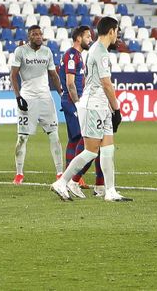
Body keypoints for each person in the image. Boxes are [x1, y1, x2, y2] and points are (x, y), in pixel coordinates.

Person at [52, 16, 130, 202]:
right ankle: (62, 182)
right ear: (111, 31)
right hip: (94, 105)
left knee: (108, 149)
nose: (117, 36)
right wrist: (117, 109)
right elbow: (106, 84)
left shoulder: (96, 49)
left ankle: (110, 191)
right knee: (91, 151)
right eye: (116, 31)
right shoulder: (100, 52)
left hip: (101, 106)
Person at [9, 24, 64, 185]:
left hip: (45, 98)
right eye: (34, 34)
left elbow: (53, 75)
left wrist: (61, 93)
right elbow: (13, 75)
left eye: (40, 34)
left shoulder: (47, 52)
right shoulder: (20, 51)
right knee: (22, 138)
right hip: (28, 98)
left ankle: (60, 173)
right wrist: (18, 97)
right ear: (29, 37)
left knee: (54, 135)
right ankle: (19, 173)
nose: (38, 36)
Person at [58, 24, 102, 199]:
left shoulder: (78, 56)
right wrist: (78, 103)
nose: (90, 39)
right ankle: (72, 177)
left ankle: (69, 175)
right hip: (72, 102)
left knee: (74, 138)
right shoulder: (71, 55)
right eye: (87, 37)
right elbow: (70, 82)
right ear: (78, 38)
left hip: (73, 101)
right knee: (85, 139)